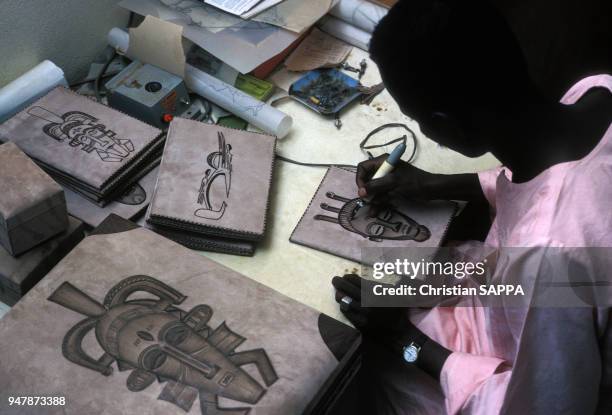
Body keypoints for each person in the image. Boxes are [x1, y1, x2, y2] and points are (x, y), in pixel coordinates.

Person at [332, 0, 612, 413]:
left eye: (421, 121)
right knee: (420, 278)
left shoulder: (546, 255)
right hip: (527, 302)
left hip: (539, 373)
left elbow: (548, 404)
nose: (426, 132)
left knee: (361, 367)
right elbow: (552, 186)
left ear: (448, 127)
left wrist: (402, 339)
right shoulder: (598, 91)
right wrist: (432, 184)